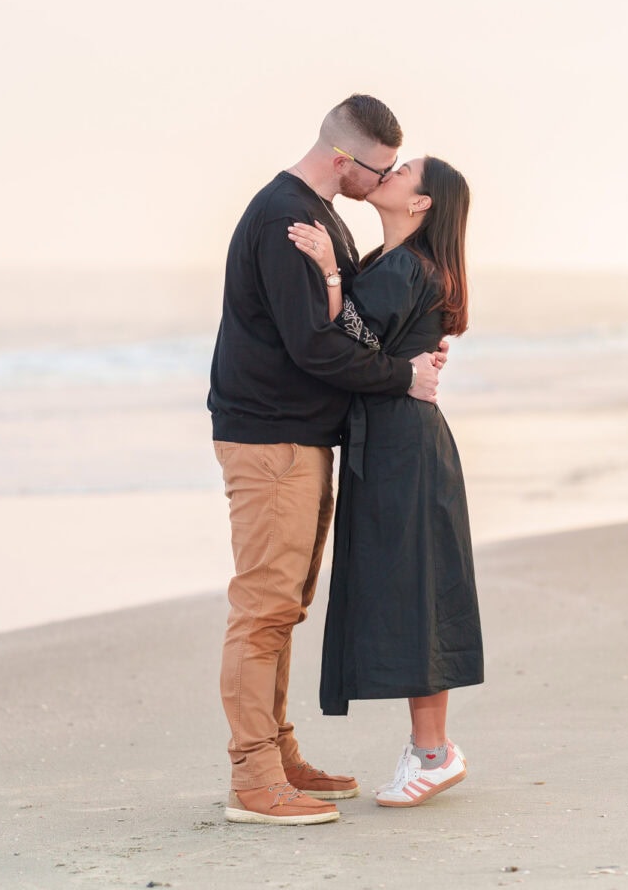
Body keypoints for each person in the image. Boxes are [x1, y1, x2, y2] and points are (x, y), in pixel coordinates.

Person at [207, 95, 447, 826]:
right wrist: (404, 378)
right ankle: (254, 777)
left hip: (301, 437)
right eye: (376, 171)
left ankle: (279, 755)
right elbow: (316, 345)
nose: (381, 184)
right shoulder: (288, 219)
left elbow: (354, 321)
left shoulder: (325, 211)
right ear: (344, 158)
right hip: (268, 436)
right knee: (263, 608)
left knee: (285, 607)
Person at [286, 155, 482, 808]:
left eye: (406, 172)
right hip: (400, 439)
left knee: (415, 591)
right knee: (410, 589)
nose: (391, 174)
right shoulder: (395, 261)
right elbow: (376, 342)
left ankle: (433, 753)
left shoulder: (406, 266)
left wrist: (327, 271)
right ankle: (432, 749)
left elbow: (349, 335)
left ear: (422, 203)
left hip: (406, 445)